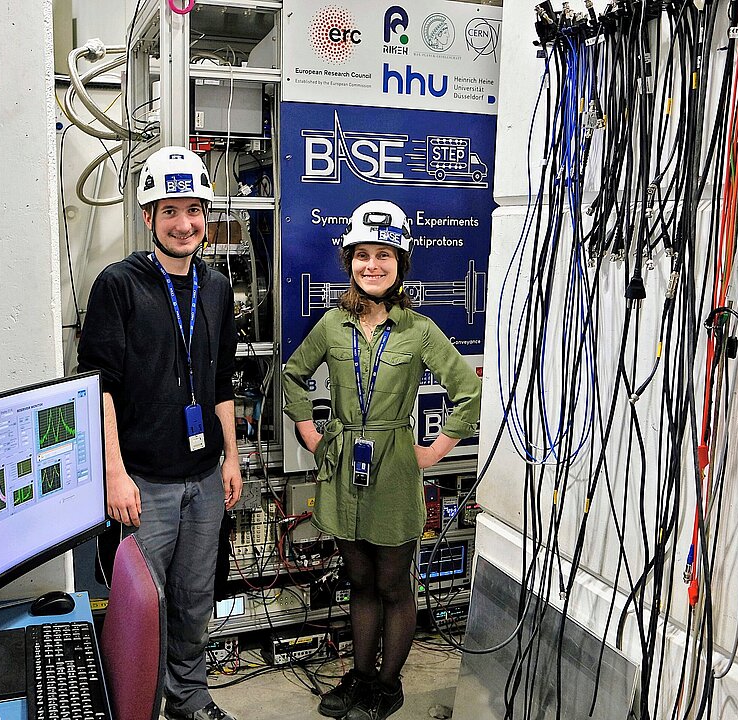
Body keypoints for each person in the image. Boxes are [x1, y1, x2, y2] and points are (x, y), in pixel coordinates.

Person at [282, 200, 481, 720]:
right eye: (363, 255)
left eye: (384, 255)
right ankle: (362, 674)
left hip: (394, 468)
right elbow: (292, 376)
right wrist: (310, 432)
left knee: (394, 583)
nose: (372, 265)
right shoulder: (331, 325)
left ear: (401, 263)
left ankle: (387, 685)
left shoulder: (418, 330)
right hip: (344, 467)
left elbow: (468, 392)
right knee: (362, 581)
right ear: (349, 260)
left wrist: (434, 450)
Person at [77, 146, 243, 720]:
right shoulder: (118, 285)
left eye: (193, 209)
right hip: (143, 484)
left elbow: (222, 378)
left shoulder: (216, 288)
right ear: (147, 216)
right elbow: (100, 387)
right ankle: (137, 707)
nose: (183, 223)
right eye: (168, 210)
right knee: (141, 607)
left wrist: (232, 457)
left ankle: (190, 698)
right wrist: (115, 475)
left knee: (195, 600)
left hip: (203, 478)